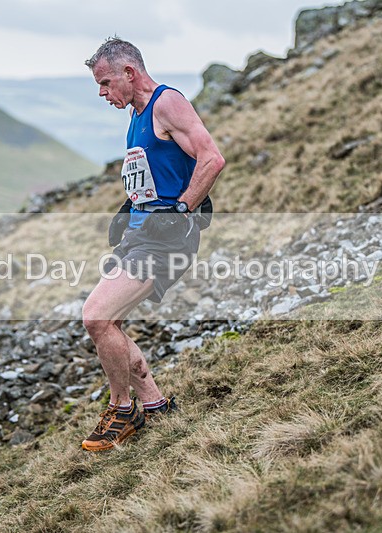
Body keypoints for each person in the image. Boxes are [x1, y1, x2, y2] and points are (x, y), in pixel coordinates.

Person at [80, 37, 226, 451]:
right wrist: (130, 206)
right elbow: (157, 172)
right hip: (142, 234)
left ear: (130, 72)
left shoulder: (167, 102)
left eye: (106, 83)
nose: (103, 93)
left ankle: (122, 410)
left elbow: (211, 158)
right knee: (111, 323)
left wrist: (181, 210)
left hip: (166, 241)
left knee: (97, 317)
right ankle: (156, 406)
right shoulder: (138, 114)